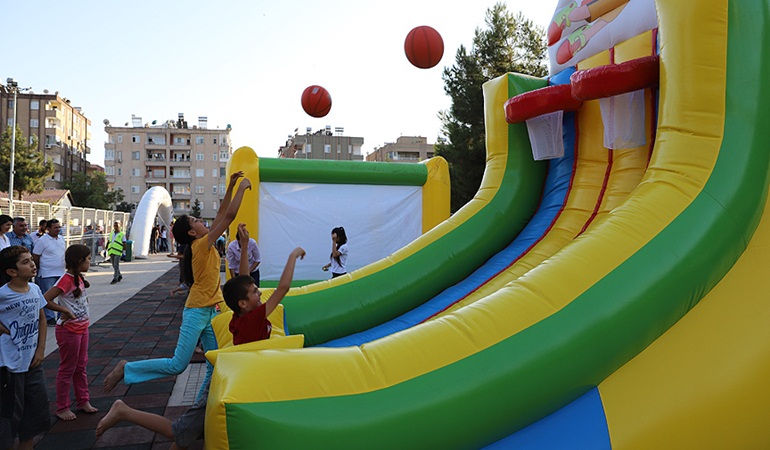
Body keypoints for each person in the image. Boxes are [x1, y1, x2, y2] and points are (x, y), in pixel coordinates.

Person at [95, 225, 305, 449]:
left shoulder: (236, 312)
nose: (260, 292)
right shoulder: (252, 319)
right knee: (176, 431)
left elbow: (243, 278)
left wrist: (244, 247)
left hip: (233, 379)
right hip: (224, 383)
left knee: (195, 433)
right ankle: (123, 411)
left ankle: (179, 440)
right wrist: (293, 255)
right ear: (243, 303)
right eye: (255, 292)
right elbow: (283, 287)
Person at [103, 172, 252, 402]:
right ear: (192, 233)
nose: (202, 221)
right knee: (178, 364)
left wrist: (230, 185)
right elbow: (229, 215)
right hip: (196, 311)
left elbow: (223, 213)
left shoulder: (204, 243)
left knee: (215, 362)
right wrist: (242, 188)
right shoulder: (201, 245)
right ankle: (127, 368)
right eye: (196, 221)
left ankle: (201, 408)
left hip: (212, 310)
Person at [0, 246, 52, 450]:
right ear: (11, 272)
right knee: (8, 419)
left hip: (32, 363)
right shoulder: (3, 294)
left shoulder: (36, 289)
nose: (33, 264)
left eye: (31, 259)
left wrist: (40, 350)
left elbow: (42, 319)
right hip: (8, 367)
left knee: (33, 416)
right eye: (25, 262)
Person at [43, 244, 97, 421]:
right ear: (79, 261)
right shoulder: (66, 279)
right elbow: (45, 300)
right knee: (67, 368)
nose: (90, 262)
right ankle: (62, 407)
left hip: (81, 328)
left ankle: (83, 400)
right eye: (88, 259)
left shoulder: (78, 278)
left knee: (81, 366)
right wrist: (65, 311)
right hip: (69, 331)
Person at [33, 219, 66, 326]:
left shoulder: (61, 238)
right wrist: (39, 269)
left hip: (61, 272)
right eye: (55, 227)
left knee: (63, 296)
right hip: (47, 273)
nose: (58, 229)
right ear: (48, 229)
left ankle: (62, 315)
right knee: (47, 296)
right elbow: (36, 256)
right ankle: (49, 318)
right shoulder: (42, 241)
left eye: (59, 227)